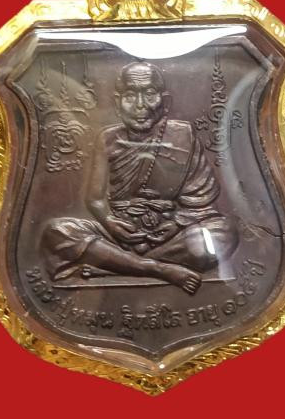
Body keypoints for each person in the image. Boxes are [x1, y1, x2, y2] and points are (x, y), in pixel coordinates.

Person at [41, 62, 238, 294]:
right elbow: (94, 199)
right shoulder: (107, 139)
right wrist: (110, 222)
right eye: (130, 95)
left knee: (223, 232)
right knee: (58, 231)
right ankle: (156, 268)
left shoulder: (182, 136)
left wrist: (176, 223)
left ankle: (116, 266)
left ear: (165, 102)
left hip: (169, 234)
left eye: (150, 94)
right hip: (118, 232)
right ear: (117, 102)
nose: (140, 105)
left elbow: (201, 198)